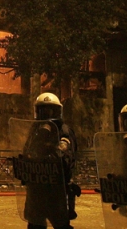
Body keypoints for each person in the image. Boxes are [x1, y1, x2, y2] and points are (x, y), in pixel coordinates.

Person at [24, 92, 79, 229]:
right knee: (35, 225)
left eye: (50, 111)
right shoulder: (34, 131)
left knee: (61, 225)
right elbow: (26, 151)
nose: (46, 116)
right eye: (42, 111)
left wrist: (49, 151)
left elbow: (65, 160)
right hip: (37, 190)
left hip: (56, 191)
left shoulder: (63, 132)